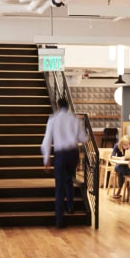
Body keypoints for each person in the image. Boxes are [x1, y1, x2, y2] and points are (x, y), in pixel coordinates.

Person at [41, 97, 87, 229]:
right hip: (73, 153)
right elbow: (83, 138)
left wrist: (46, 158)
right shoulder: (75, 120)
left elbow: (47, 140)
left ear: (57, 106)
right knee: (69, 179)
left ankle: (59, 220)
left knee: (59, 185)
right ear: (68, 107)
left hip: (60, 154)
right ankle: (71, 206)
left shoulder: (53, 120)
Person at [110, 134, 130, 198]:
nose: (126, 146)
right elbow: (112, 156)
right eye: (125, 145)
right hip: (119, 165)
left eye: (128, 144)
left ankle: (121, 189)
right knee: (121, 169)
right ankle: (128, 189)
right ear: (121, 143)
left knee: (125, 171)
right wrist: (121, 158)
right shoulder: (117, 146)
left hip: (128, 165)